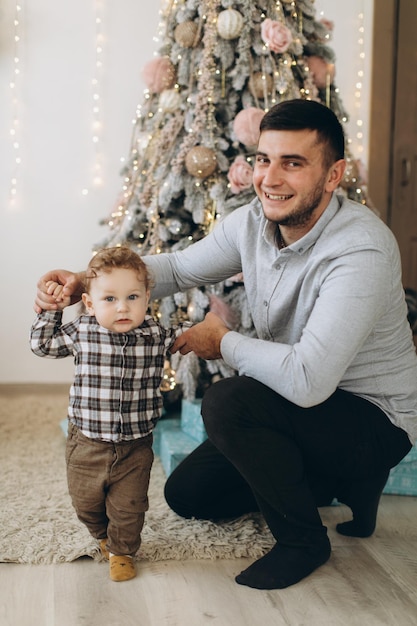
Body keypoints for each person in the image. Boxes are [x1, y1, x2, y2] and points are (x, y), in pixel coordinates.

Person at [34, 99, 417, 591]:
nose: (270, 178)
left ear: (333, 174)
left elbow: (309, 379)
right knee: (189, 495)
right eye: (263, 159)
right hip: (304, 408)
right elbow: (178, 268)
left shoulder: (360, 248)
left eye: (293, 163)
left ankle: (304, 541)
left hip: (372, 418)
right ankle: (350, 487)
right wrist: (87, 280)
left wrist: (224, 341)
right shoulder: (254, 221)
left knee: (228, 401)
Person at [31, 246, 187, 582]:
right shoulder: (83, 331)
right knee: (85, 503)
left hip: (135, 443)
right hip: (87, 440)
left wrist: (209, 327)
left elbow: (187, 337)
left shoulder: (155, 334)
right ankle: (101, 534)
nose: (123, 308)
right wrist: (51, 310)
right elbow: (43, 345)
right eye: (110, 299)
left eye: (132, 297)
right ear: (89, 303)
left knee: (130, 507)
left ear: (147, 297)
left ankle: (122, 550)